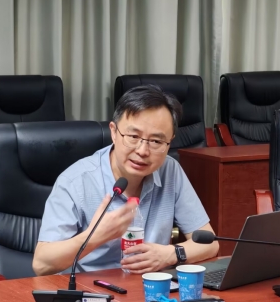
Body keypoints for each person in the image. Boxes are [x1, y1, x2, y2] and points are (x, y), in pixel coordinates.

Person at [33, 84, 219, 275]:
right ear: (114, 132)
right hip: (93, 289)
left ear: (169, 141)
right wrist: (94, 236)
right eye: (133, 136)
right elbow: (41, 264)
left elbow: (210, 244)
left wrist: (170, 254)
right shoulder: (76, 180)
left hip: (152, 287)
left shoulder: (170, 170)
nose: (142, 151)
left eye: (156, 141)